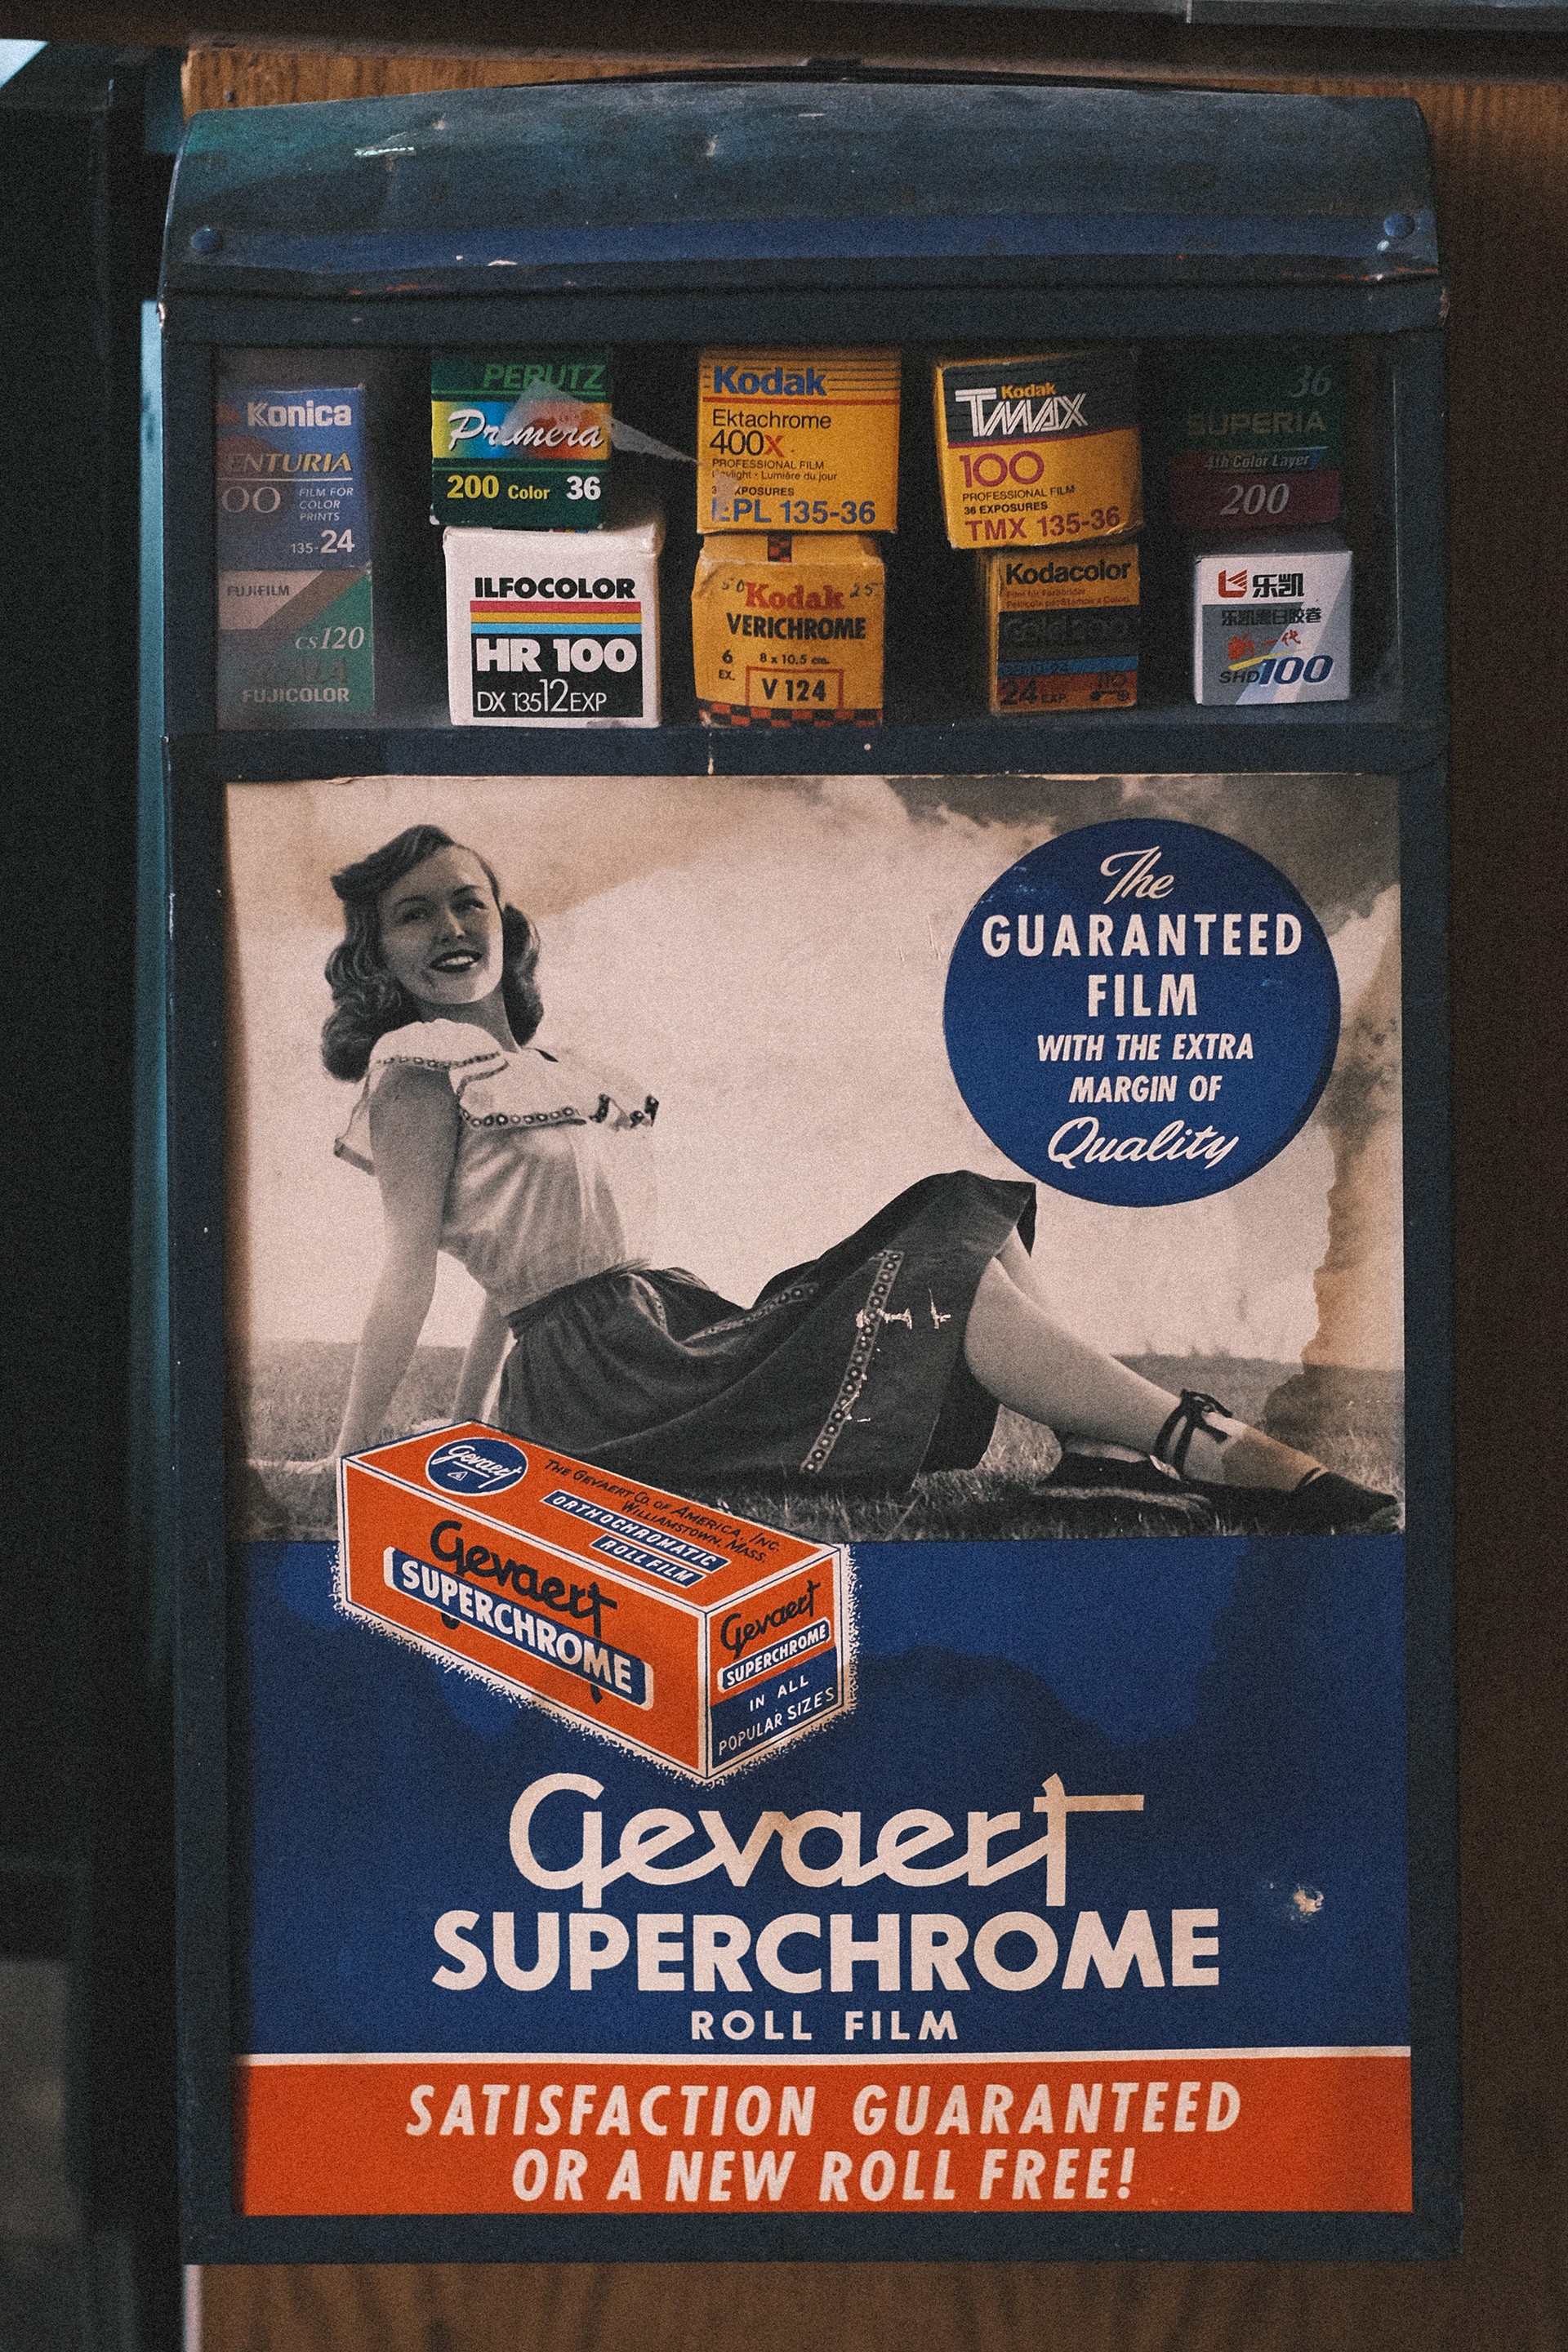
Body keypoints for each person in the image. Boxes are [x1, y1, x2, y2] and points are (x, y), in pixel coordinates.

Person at [323, 823, 1396, 1534]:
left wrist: (468, 1423)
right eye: (414, 914)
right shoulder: (415, 1067)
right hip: (605, 1383)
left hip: (664, 1329)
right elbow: (413, 1267)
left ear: (504, 919)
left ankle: (1094, 1451)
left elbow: (513, 1263)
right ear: (380, 955)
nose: (450, 928)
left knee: (961, 1203)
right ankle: (1200, 1444)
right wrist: (355, 1455)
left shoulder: (567, 1073)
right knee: (935, 1277)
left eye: (467, 901)